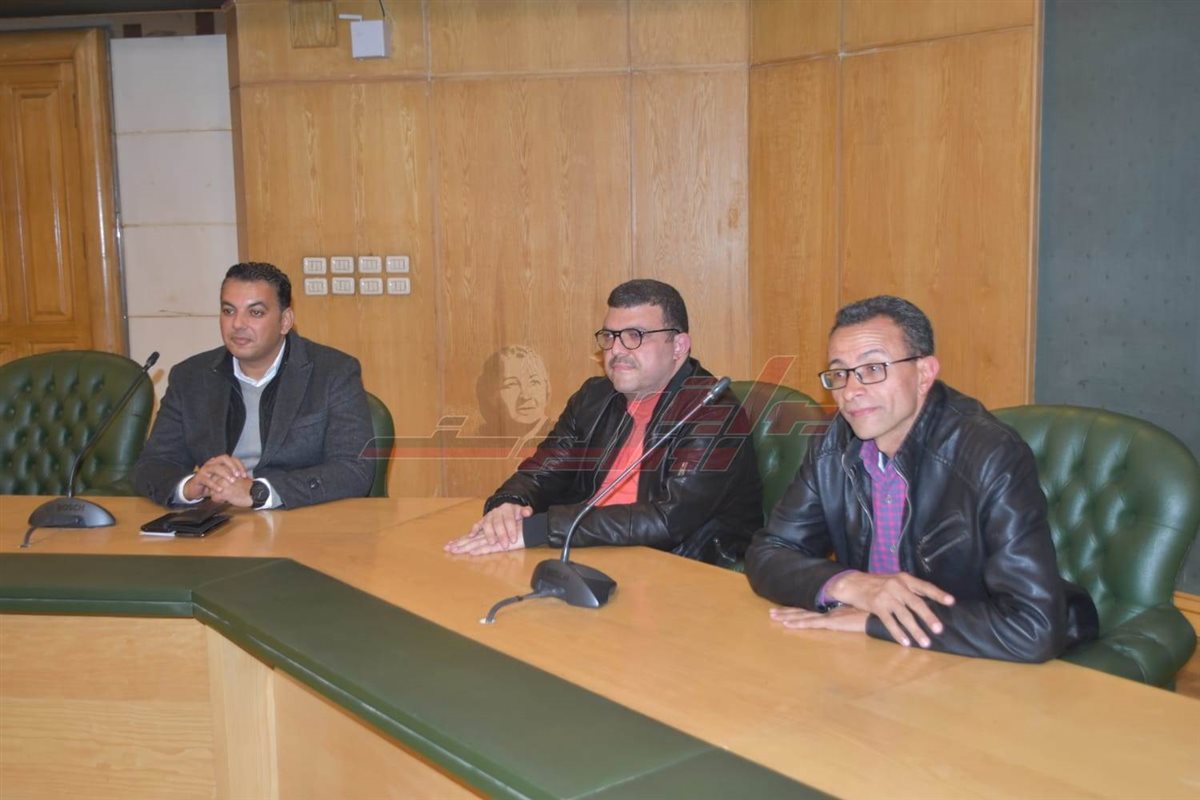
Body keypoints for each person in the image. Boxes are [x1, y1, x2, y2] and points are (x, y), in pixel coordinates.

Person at [745, 295, 1097, 662]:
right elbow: (769, 553)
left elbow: (1033, 628)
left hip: (978, 660)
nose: (850, 391)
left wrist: (876, 621)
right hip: (884, 657)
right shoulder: (833, 445)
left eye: (873, 369)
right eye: (840, 373)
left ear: (925, 374)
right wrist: (852, 586)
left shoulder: (990, 455)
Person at [444, 279, 763, 566]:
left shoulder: (712, 412)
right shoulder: (594, 397)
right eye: (609, 336)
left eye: (635, 336)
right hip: (588, 550)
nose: (616, 350)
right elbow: (543, 470)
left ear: (678, 346)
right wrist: (510, 505)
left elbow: (666, 521)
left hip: (678, 569)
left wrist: (541, 528)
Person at [134, 262, 374, 510]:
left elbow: (354, 470)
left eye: (255, 313)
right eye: (228, 311)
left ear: (285, 321)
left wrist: (260, 492)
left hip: (300, 517)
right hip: (217, 518)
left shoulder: (333, 372)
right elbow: (152, 465)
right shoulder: (191, 377)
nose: (238, 323)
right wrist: (189, 487)